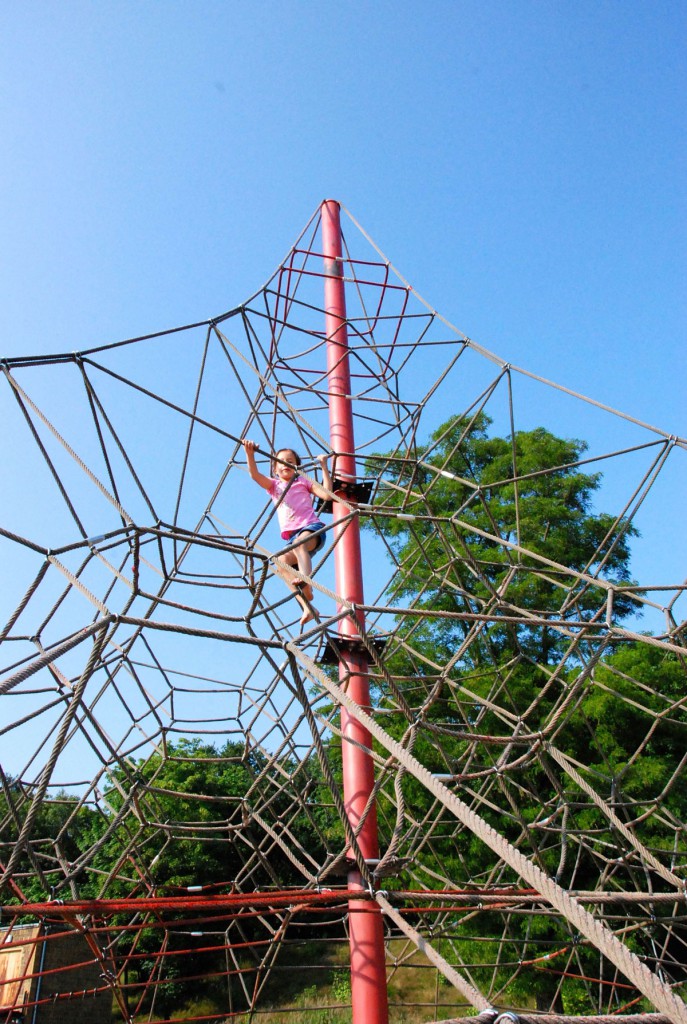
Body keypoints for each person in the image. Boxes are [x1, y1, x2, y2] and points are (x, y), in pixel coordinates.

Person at [242, 439, 333, 625]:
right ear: (275, 469)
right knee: (280, 563)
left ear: (298, 467)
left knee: (299, 544)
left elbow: (326, 494)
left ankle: (306, 580)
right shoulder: (275, 486)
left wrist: (324, 466)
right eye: (282, 462)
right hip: (294, 538)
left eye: (291, 461)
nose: (286, 464)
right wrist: (250, 454)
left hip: (312, 529)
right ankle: (307, 607)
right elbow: (254, 475)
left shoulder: (302, 482)